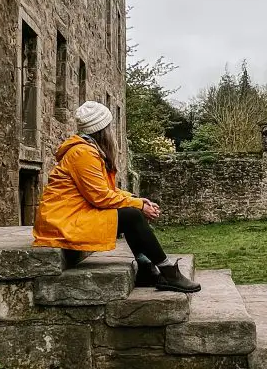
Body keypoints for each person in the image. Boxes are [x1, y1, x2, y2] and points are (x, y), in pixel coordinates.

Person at [33, 101, 200, 293]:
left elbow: (106, 189)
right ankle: (168, 272)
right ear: (103, 130)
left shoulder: (89, 150)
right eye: (110, 126)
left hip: (71, 215)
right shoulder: (83, 153)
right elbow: (101, 197)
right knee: (132, 216)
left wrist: (138, 200)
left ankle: (146, 267)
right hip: (62, 220)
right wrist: (138, 205)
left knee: (132, 212)